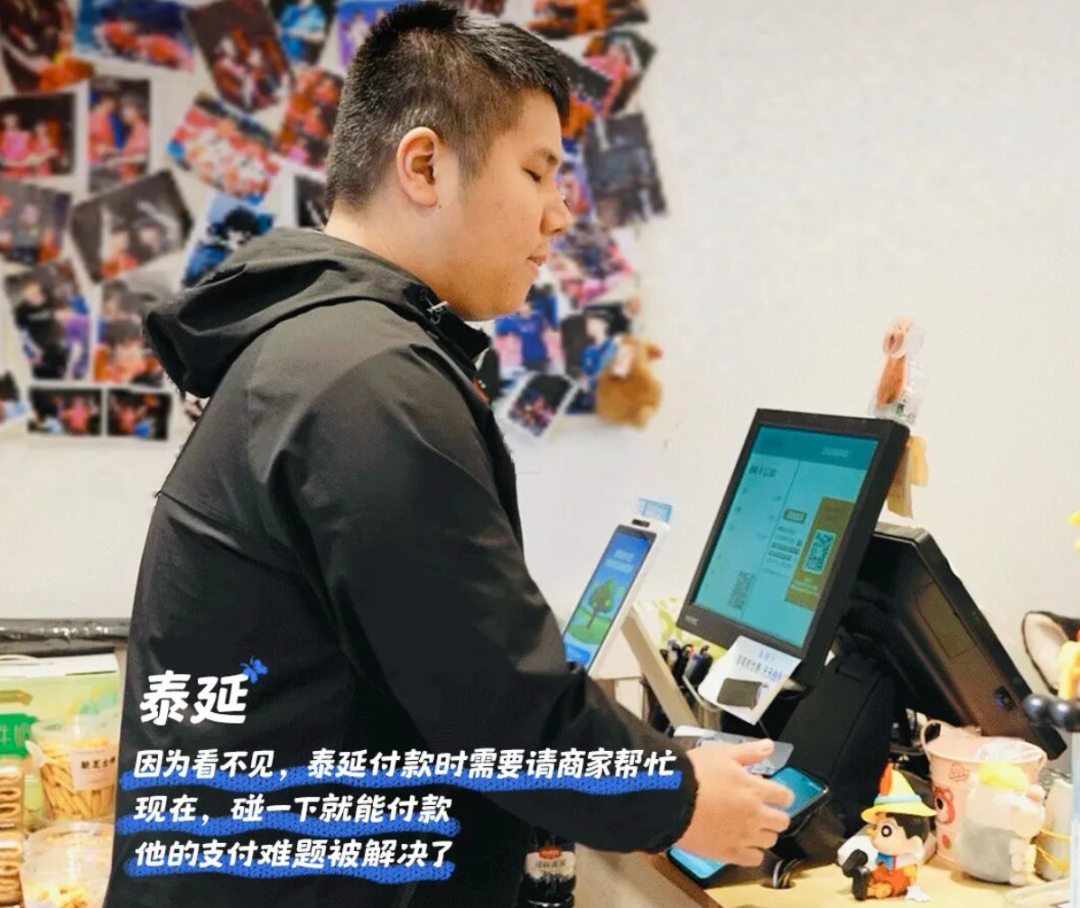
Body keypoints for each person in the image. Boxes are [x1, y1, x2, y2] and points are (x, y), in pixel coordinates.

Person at [104, 5, 793, 907]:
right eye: (536, 171)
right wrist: (681, 799)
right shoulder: (367, 380)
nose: (559, 212)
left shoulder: (325, 350)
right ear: (425, 165)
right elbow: (495, 702)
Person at [278, 0, 328, 66]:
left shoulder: (316, 12)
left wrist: (299, 34)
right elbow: (279, 29)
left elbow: (320, 37)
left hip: (297, 60)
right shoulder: (289, 8)